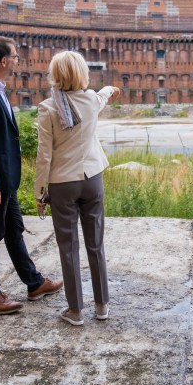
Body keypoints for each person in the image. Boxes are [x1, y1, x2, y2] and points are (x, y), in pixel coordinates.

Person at [0, 35, 63, 315]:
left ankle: (34, 283)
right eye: (15, 56)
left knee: (14, 229)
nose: (18, 60)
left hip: (4, 178)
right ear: (4, 61)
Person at [35, 50, 119, 326]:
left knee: (68, 247)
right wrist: (111, 89)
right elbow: (103, 95)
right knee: (96, 243)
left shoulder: (48, 108)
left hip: (63, 183)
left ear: (55, 75)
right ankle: (102, 305)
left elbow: (44, 155)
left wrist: (39, 193)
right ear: (82, 74)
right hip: (92, 178)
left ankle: (75, 311)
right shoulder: (91, 100)